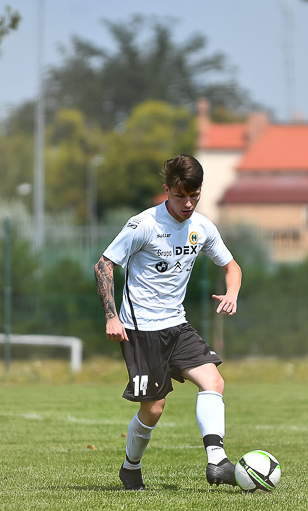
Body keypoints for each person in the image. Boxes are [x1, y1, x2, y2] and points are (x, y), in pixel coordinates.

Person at [94, 154, 243, 491]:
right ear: (166, 190)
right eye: (180, 196)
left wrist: (232, 292)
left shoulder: (202, 227)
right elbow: (104, 265)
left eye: (194, 195)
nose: (188, 203)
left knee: (213, 381)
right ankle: (130, 467)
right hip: (141, 330)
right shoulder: (143, 225)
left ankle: (217, 461)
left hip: (177, 325)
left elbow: (231, 266)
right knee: (154, 409)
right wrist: (111, 316)